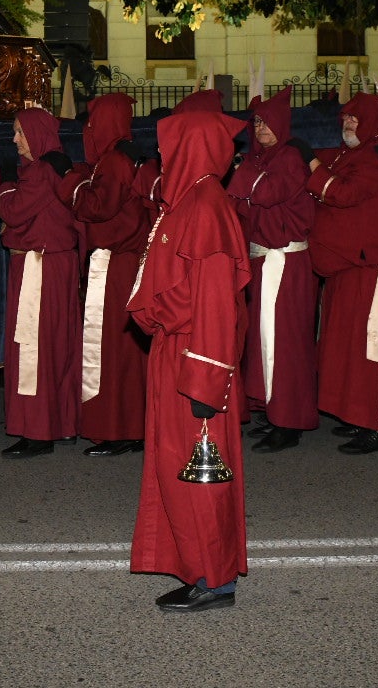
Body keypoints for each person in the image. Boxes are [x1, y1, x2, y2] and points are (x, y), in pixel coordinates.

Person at [125, 108, 251, 613]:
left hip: (193, 360)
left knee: (200, 475)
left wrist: (205, 381)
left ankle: (215, 579)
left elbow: (217, 305)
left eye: (169, 146)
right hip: (173, 353)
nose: (162, 155)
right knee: (177, 468)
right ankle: (198, 567)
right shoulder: (188, 202)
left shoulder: (205, 207)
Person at [306, 92, 378, 455]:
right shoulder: (354, 153)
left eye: (355, 118)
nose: (347, 123)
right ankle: (358, 414)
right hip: (349, 263)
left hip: (373, 265)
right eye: (345, 118)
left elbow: (344, 192)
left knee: (375, 346)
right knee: (350, 349)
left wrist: (311, 167)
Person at [57, 93, 152, 457]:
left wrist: (69, 182)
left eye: (93, 122)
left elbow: (99, 207)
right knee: (122, 350)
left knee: (112, 350)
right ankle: (128, 425)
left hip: (117, 266)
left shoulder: (114, 161)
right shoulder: (116, 159)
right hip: (121, 263)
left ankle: (119, 428)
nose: (88, 130)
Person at [226, 86, 319, 453]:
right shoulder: (262, 159)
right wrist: (248, 181)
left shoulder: (289, 156)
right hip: (265, 259)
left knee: (287, 342)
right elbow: (241, 197)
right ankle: (273, 408)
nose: (262, 128)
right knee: (267, 340)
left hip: (286, 260)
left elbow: (265, 193)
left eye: (267, 122)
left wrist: (246, 179)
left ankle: (289, 420)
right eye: (258, 122)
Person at [0, 107, 81, 457]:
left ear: (37, 134)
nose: (14, 139)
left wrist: (6, 182)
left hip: (39, 267)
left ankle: (38, 431)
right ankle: (62, 423)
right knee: (57, 346)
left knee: (33, 347)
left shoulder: (39, 173)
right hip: (55, 265)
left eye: (20, 133)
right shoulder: (53, 167)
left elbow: (12, 210)